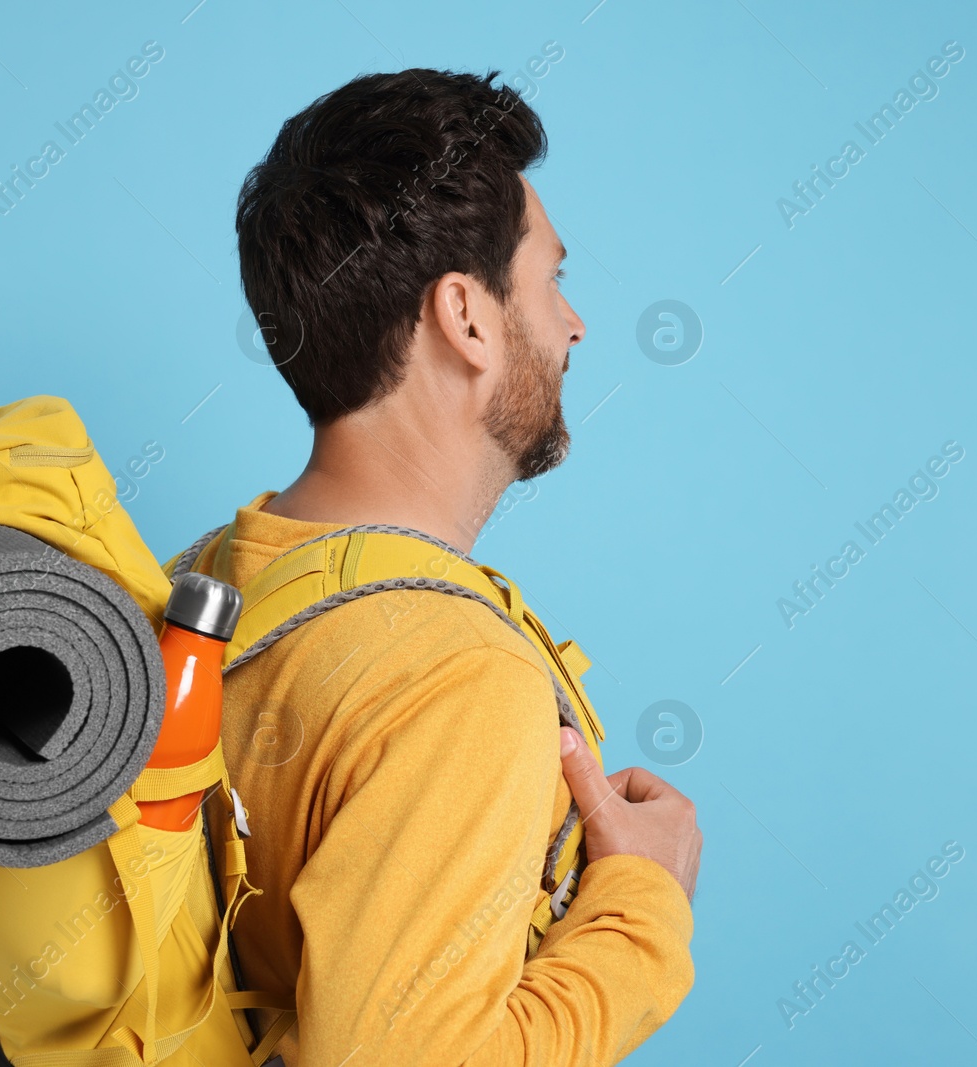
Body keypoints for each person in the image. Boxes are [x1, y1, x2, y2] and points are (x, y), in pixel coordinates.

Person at [173, 68, 702, 1065]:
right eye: (550, 278)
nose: (573, 322)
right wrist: (643, 902)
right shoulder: (456, 680)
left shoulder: (189, 589)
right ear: (465, 317)